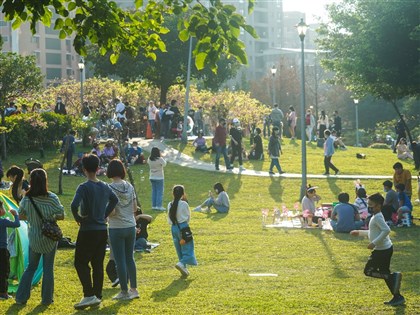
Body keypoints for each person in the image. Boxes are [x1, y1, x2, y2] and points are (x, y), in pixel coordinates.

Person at [71, 154, 119, 310]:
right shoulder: (105, 186)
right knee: (97, 264)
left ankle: (88, 294)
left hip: (87, 230)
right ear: (98, 168)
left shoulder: (83, 187)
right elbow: (115, 200)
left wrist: (78, 217)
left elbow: (73, 205)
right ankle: (97, 296)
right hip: (101, 230)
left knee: (80, 262)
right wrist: (104, 215)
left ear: (84, 169)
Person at [15, 169, 64, 305]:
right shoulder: (52, 198)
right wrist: (50, 217)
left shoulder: (27, 199)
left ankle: (21, 298)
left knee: (31, 267)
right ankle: (47, 299)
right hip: (49, 238)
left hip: (35, 238)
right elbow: (61, 214)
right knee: (48, 268)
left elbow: (20, 215)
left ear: (31, 182)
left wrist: (31, 217)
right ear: (45, 181)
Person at [350, 193, 405, 306]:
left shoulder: (378, 217)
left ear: (379, 206)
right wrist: (359, 232)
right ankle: (397, 297)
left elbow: (386, 230)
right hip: (385, 248)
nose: (369, 207)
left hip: (382, 250)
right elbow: (374, 232)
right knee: (384, 272)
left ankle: (393, 277)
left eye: (372, 205)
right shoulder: (376, 217)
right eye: (368, 205)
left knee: (368, 271)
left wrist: (374, 243)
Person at [106, 160, 139, 300]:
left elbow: (112, 212)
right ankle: (134, 289)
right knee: (130, 258)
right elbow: (135, 208)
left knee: (120, 261)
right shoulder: (129, 186)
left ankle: (124, 291)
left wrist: (105, 214)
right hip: (131, 226)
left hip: (116, 227)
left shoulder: (109, 188)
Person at [168, 185, 197, 277]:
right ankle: (182, 263)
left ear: (173, 194)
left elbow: (169, 218)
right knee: (188, 248)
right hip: (183, 227)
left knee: (179, 248)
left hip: (173, 228)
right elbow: (188, 217)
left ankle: (183, 267)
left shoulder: (170, 204)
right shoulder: (184, 204)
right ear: (183, 194)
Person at [0, 201, 20, 300]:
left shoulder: (3, 221)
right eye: (3, 208)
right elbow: (17, 224)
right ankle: (3, 293)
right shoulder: (3, 221)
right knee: (4, 271)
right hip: (2, 251)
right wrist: (15, 214)